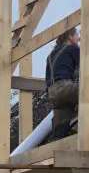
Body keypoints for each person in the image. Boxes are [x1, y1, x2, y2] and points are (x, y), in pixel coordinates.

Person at [15, 25, 80, 156]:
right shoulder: (73, 49)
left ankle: (54, 145)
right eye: (77, 35)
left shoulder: (50, 56)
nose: (78, 38)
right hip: (66, 87)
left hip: (53, 92)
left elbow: (48, 78)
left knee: (61, 122)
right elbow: (87, 64)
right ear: (70, 36)